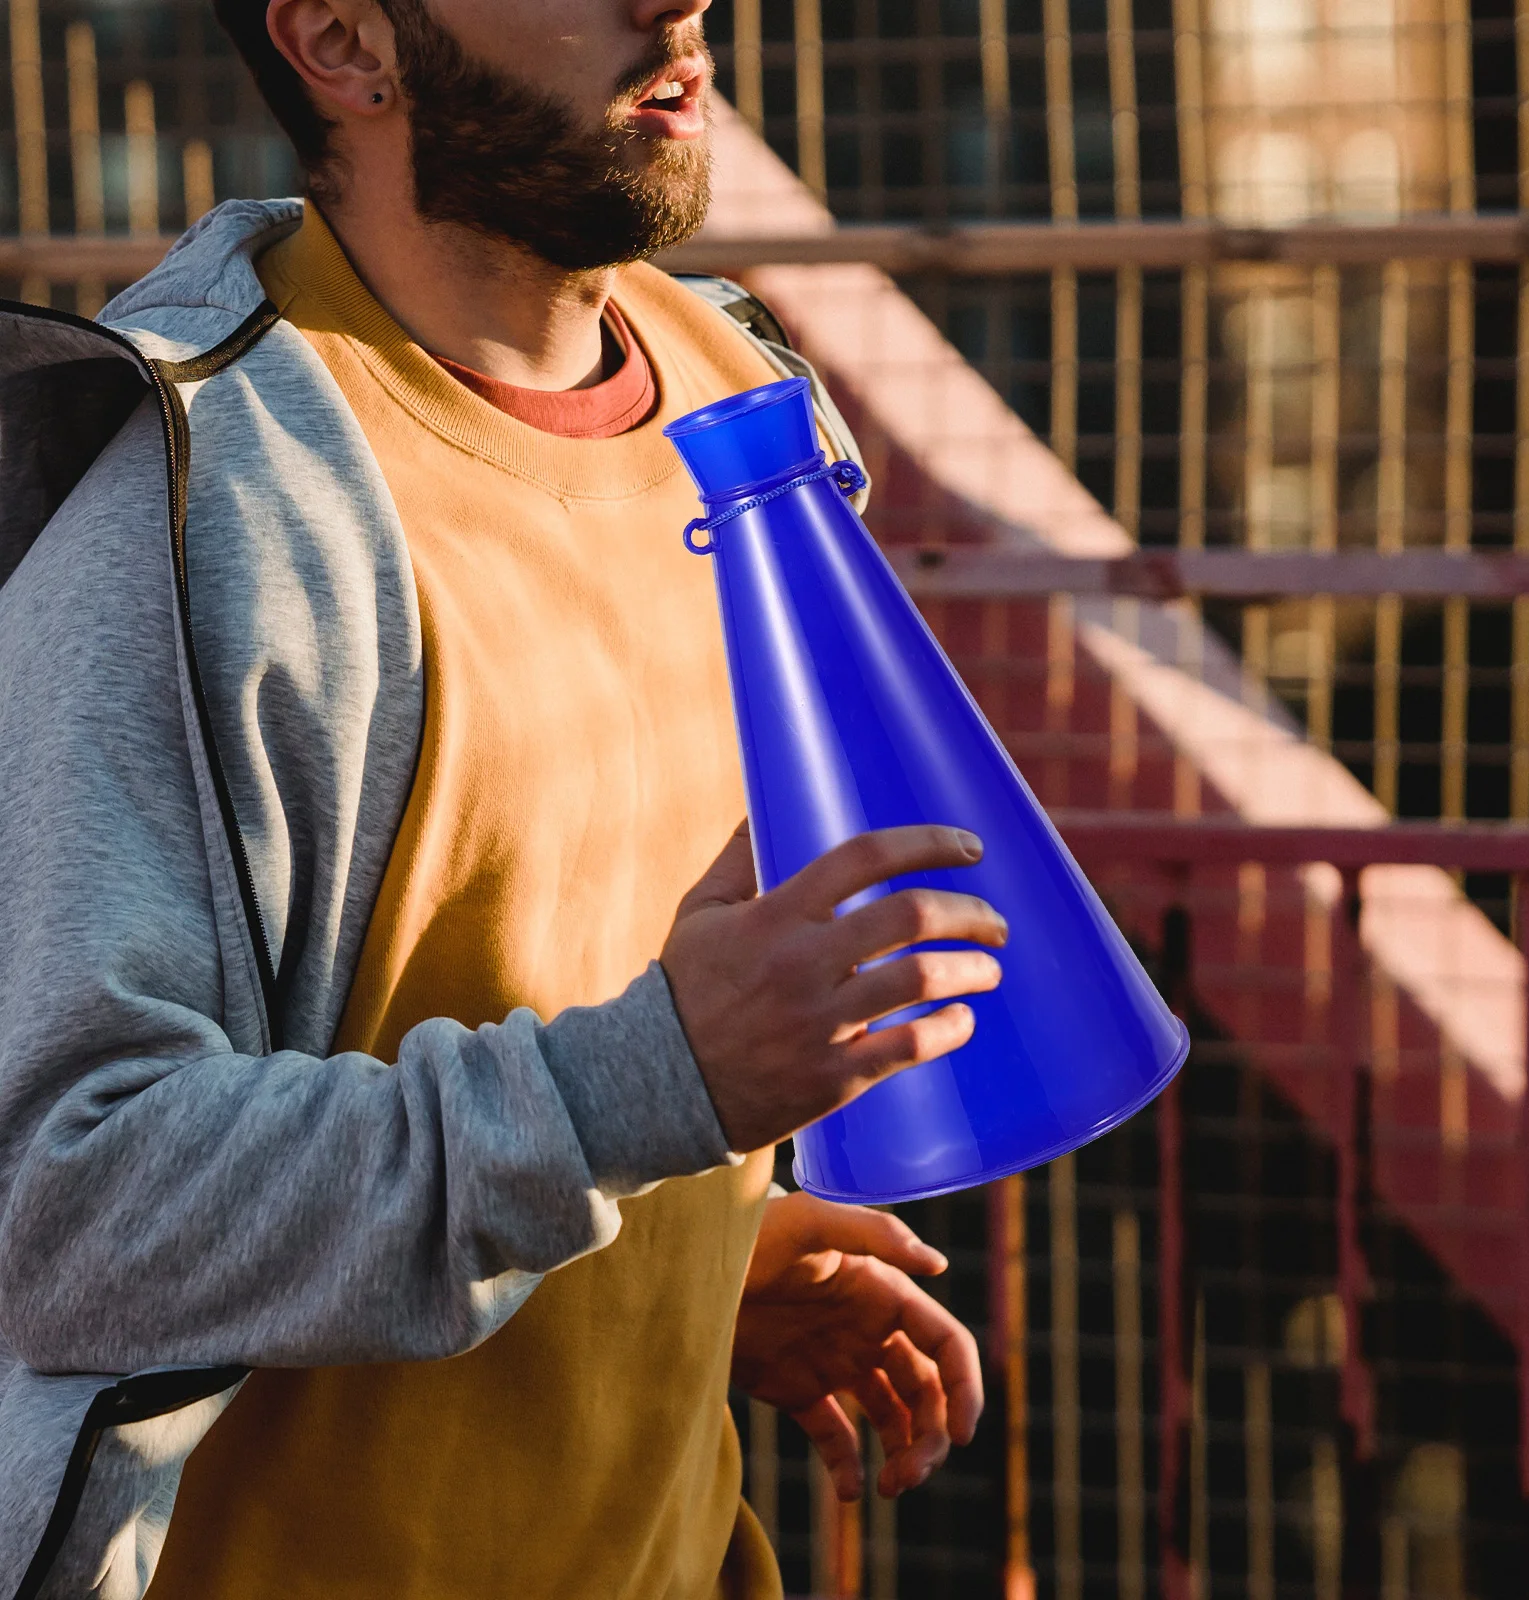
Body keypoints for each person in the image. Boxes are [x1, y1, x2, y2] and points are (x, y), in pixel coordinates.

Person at [0, 1, 1011, 1595]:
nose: (675, 5)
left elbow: (571, 1026)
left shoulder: (741, 396)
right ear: (345, 43)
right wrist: (644, 1093)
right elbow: (73, 1217)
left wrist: (678, 1260)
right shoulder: (200, 500)